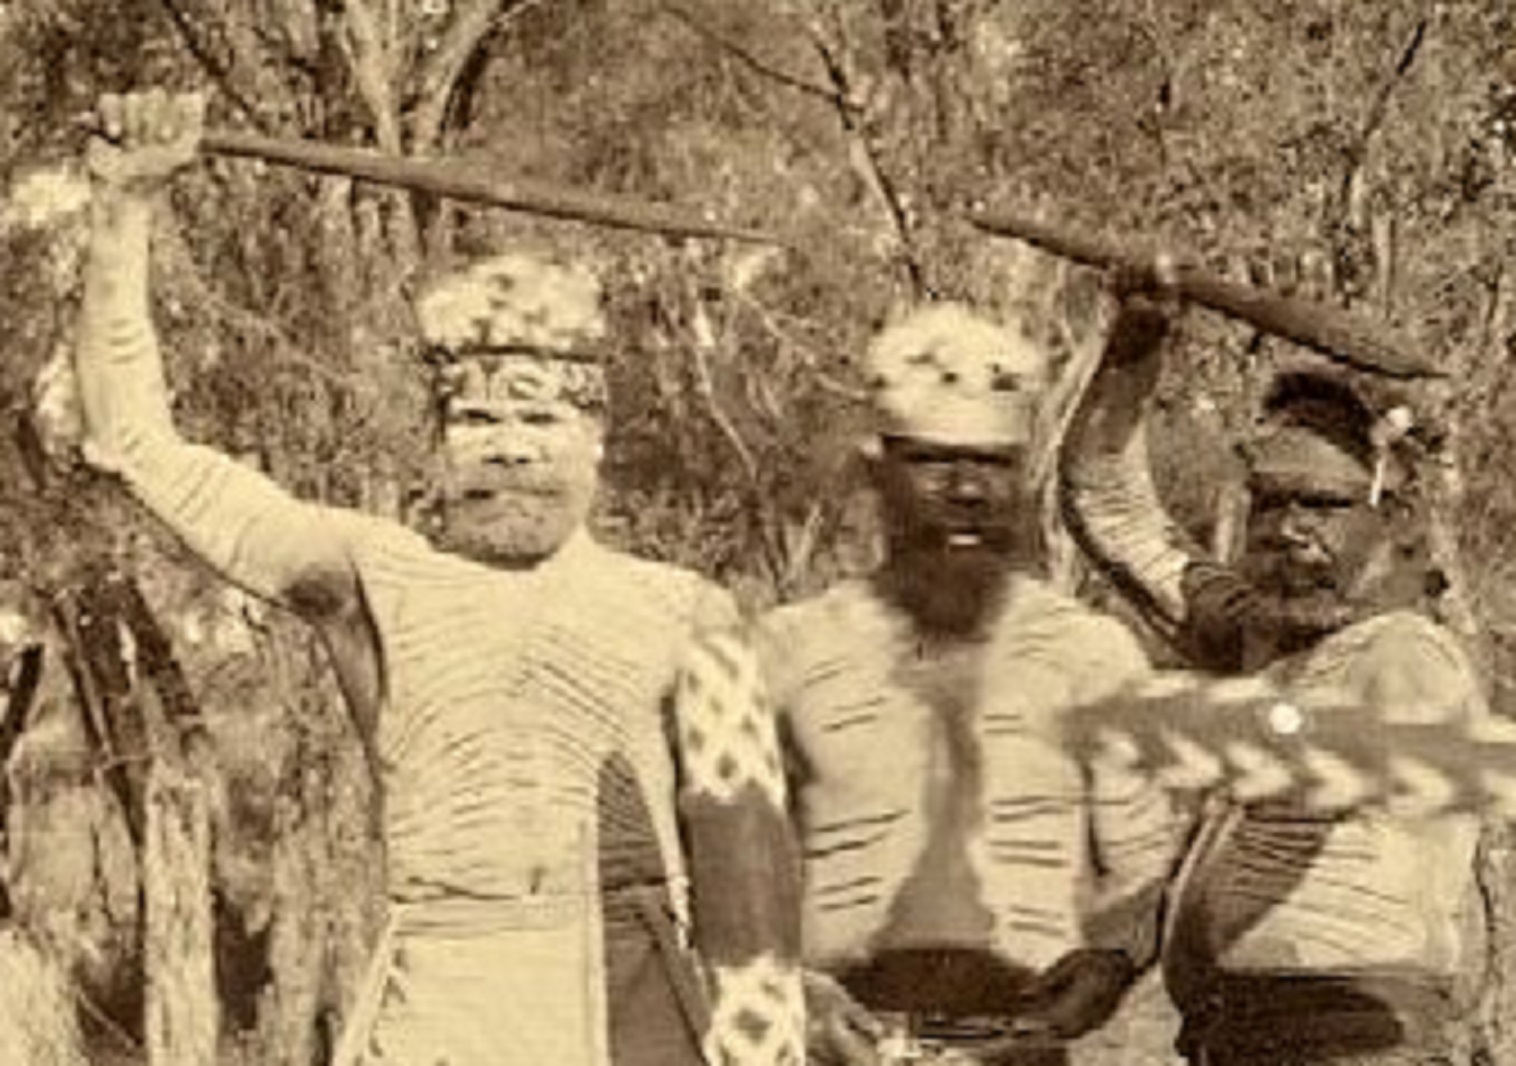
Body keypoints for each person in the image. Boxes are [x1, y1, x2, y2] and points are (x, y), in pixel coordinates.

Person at [74, 89, 802, 1066]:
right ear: (440, 445)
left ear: (596, 440)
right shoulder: (376, 582)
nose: (509, 450)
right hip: (439, 1012)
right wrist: (123, 209)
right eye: (480, 421)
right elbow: (135, 443)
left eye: (540, 421)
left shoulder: (683, 611)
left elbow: (747, 875)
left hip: (633, 1009)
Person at [1061, 268, 1489, 1066]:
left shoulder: (1409, 655)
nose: (1288, 531)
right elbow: (1111, 511)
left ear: (1394, 520)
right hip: (1235, 1039)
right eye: (1269, 502)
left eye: (1322, 507)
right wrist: (1134, 348)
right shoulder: (1267, 642)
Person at [759, 302, 1183, 1066]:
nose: (966, 489)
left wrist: (1107, 971)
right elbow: (725, 877)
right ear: (875, 471)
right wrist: (800, 997)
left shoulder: (1090, 655)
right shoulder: (787, 651)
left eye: (993, 464)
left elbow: (1148, 869)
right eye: (930, 460)